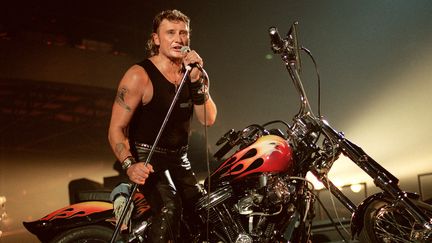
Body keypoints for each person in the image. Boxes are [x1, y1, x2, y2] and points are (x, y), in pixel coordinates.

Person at [108, 9, 217, 242]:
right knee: (170, 206)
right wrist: (130, 165)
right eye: (170, 33)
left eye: (183, 33)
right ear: (156, 39)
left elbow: (207, 118)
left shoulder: (193, 74)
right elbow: (115, 129)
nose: (178, 39)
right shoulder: (139, 75)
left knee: (205, 213)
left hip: (180, 159)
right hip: (148, 159)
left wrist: (197, 81)